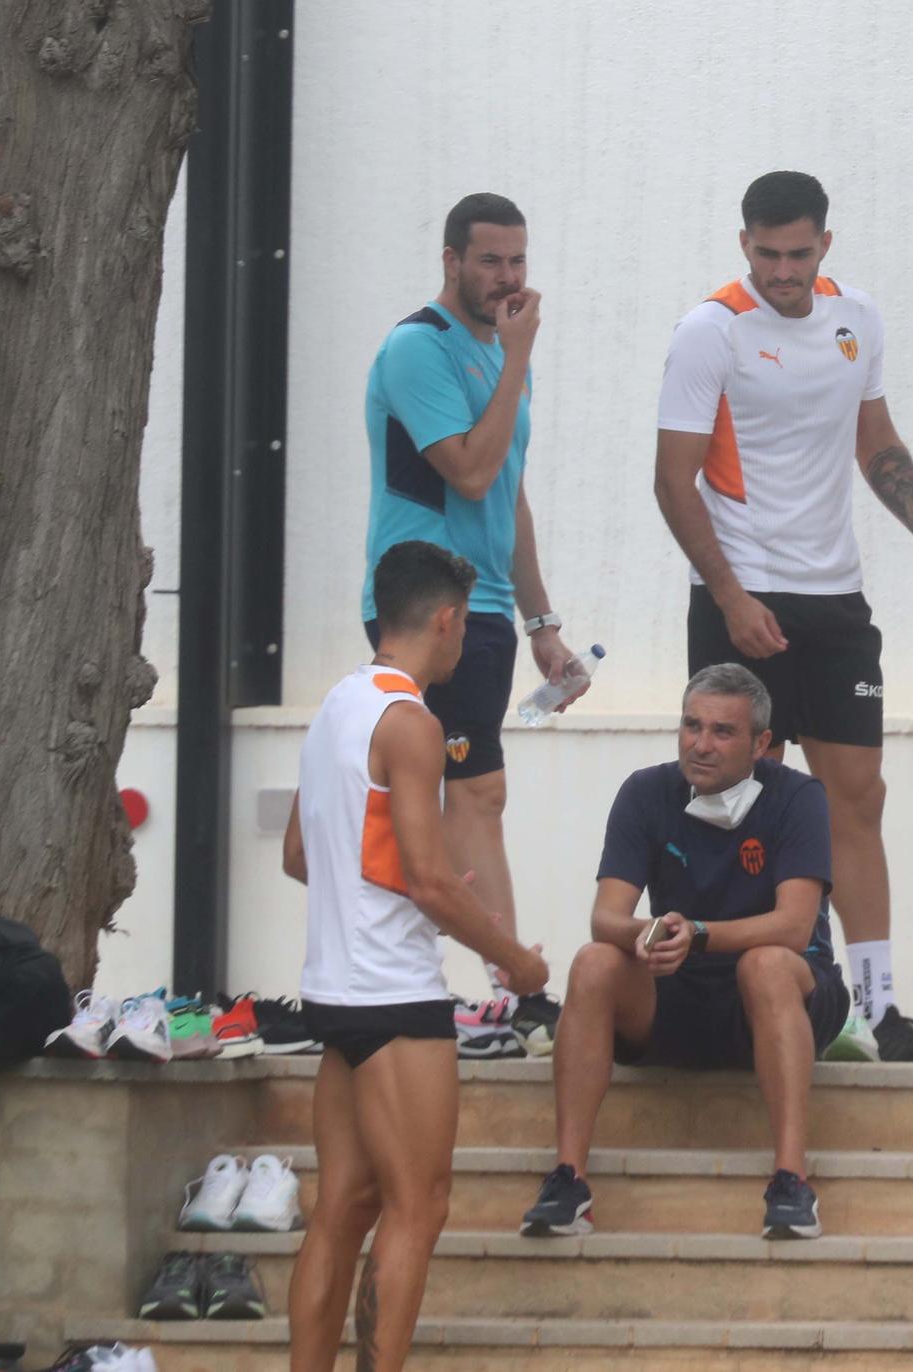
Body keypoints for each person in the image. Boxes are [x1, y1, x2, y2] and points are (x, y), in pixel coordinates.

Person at [654, 170, 913, 1063]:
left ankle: (874, 1012)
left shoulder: (855, 319)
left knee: (856, 802)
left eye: (799, 253)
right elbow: (669, 481)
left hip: (835, 598)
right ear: (744, 244)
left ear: (825, 244)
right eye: (766, 254)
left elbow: (877, 443)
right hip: (739, 592)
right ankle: (723, 1001)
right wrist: (730, 597)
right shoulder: (708, 331)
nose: (783, 271)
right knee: (733, 801)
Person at [281, 541, 551, 1372]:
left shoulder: (336, 707)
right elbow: (433, 885)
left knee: (343, 1208)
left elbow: (299, 854)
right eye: (465, 623)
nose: (465, 639)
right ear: (445, 620)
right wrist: (518, 962)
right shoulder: (414, 722)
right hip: (395, 1000)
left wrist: (413, 886)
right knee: (419, 1207)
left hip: (333, 990)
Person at [519, 664, 850, 1240]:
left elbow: (795, 927)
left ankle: (792, 1181)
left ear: (761, 745)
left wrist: (697, 933)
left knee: (766, 963)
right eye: (691, 725)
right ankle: (567, 1179)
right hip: (675, 993)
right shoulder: (646, 791)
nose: (701, 744)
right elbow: (606, 917)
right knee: (594, 961)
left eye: (723, 732)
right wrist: (647, 936)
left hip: (782, 996)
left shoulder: (798, 797)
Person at [359, 191, 580, 1055]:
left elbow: (510, 494)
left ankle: (499, 991)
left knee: (478, 789)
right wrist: (518, 357)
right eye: (490, 261)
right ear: (451, 260)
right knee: (462, 790)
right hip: (422, 605)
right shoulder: (420, 347)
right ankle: (499, 990)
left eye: (518, 261)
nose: (507, 278)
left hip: (484, 606)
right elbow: (473, 472)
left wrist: (544, 623)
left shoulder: (496, 354)